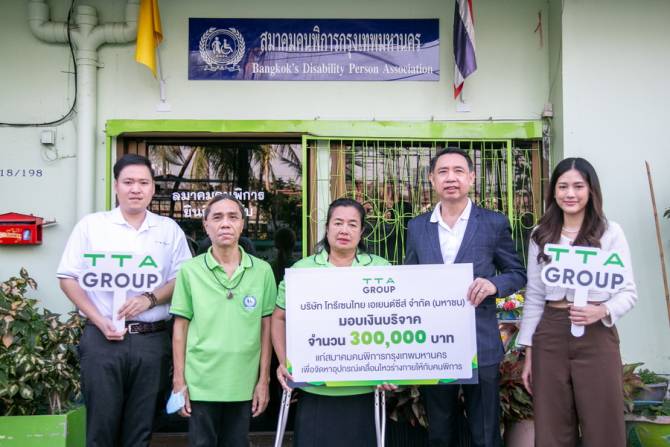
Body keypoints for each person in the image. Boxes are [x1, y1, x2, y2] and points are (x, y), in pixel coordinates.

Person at [57, 154, 192, 447]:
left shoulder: (168, 229)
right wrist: (99, 320)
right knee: (101, 429)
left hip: (151, 341)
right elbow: (68, 277)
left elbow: (183, 278)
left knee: (140, 430)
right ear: (116, 186)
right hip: (102, 340)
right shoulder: (92, 226)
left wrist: (150, 298)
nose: (136, 189)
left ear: (153, 188)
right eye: (128, 182)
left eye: (143, 182)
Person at [404, 147, 526, 447]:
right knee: (440, 430)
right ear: (432, 179)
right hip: (434, 343)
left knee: (485, 431)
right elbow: (409, 279)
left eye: (458, 171)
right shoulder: (417, 227)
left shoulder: (493, 223)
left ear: (471, 178)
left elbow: (517, 272)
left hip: (480, 340)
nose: (451, 178)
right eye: (443, 172)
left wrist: (493, 284)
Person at [518, 157, 637, 447]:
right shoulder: (541, 234)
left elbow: (628, 292)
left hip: (597, 334)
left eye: (578, 186)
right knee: (552, 423)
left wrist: (602, 310)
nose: (570, 194)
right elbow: (534, 296)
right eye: (562, 187)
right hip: (550, 333)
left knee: (603, 421)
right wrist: (529, 352)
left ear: (591, 190)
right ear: (553, 192)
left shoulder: (610, 232)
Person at [271, 198, 391, 447]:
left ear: (361, 231)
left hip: (364, 388)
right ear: (327, 228)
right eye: (338, 223)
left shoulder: (381, 268)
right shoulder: (302, 270)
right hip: (315, 388)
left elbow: (394, 320)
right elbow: (279, 318)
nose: (344, 230)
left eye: (352, 224)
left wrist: (391, 366)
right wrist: (284, 361)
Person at [170, 194, 276, 447]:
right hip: (200, 380)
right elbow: (180, 328)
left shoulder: (262, 271)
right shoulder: (190, 270)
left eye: (233, 217)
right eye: (217, 217)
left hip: (243, 380)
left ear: (242, 224)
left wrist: (264, 380)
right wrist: (179, 381)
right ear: (206, 225)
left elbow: (267, 329)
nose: (225, 223)